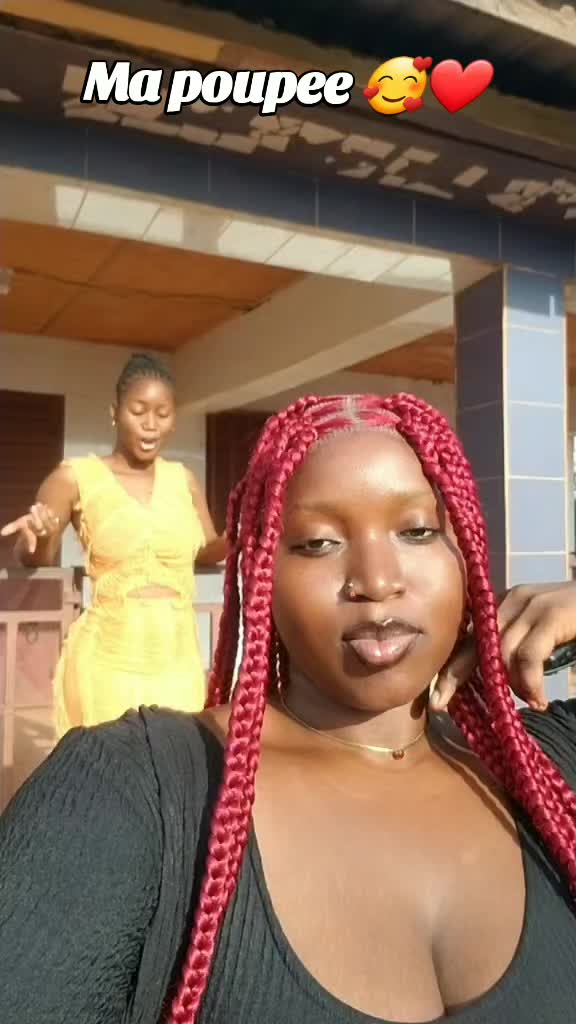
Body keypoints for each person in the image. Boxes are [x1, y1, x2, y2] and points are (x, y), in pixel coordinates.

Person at [1, 391, 576, 1024]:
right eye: (317, 543)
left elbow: (205, 546)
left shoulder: (550, 768)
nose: (377, 580)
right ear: (262, 576)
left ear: (465, 551)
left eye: (417, 531)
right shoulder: (129, 792)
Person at [0, 353, 227, 735]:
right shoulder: (75, 477)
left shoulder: (184, 480)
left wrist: (240, 535)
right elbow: (35, 556)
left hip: (178, 659)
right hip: (108, 660)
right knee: (112, 763)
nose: (150, 424)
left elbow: (205, 551)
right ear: (115, 413)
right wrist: (39, 535)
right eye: (138, 411)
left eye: (162, 413)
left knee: (175, 762)